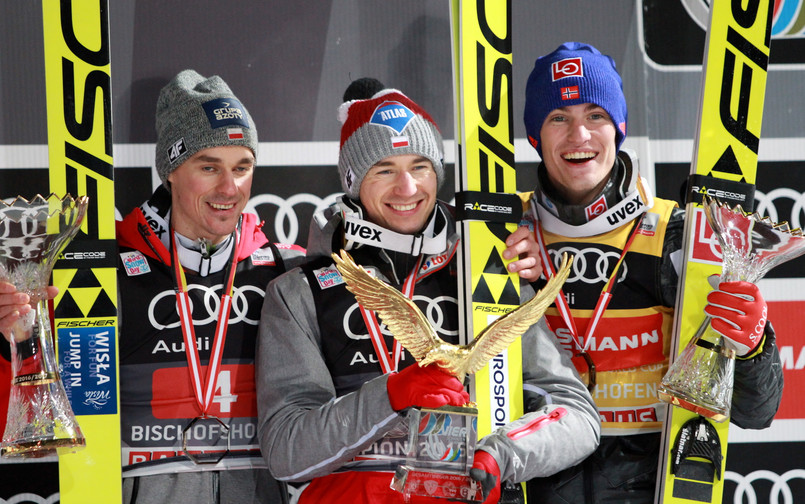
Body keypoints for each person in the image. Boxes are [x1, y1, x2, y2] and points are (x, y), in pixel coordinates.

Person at [255, 83, 601, 504]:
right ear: (352, 182)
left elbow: (578, 416)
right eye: (384, 169)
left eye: (420, 167)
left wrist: (500, 456)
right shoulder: (301, 291)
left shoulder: (489, 272)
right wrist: (391, 395)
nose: (407, 188)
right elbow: (286, 451)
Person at [1, 70, 305, 504]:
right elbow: (33, 409)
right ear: (171, 172)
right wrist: (17, 339)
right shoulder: (104, 273)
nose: (230, 187)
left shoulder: (283, 270)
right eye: (208, 166)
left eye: (242, 167)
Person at [519, 42, 784, 503]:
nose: (579, 134)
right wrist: (505, 285)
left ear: (619, 127)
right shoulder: (504, 236)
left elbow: (755, 412)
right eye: (558, 117)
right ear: (535, 135)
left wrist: (752, 346)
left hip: (653, 488)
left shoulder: (679, 235)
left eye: (595, 115)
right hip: (533, 482)